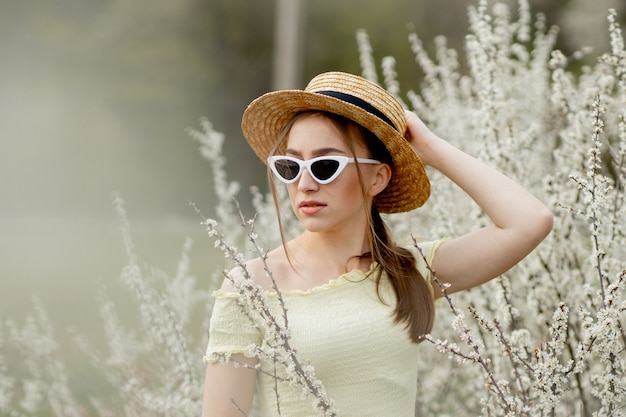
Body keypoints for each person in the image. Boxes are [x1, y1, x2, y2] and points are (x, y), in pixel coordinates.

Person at [201, 72, 553, 417]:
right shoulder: (251, 286)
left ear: (378, 177)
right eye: (290, 166)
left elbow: (530, 221)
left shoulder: (410, 272)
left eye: (325, 165)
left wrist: (432, 149)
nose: (304, 183)